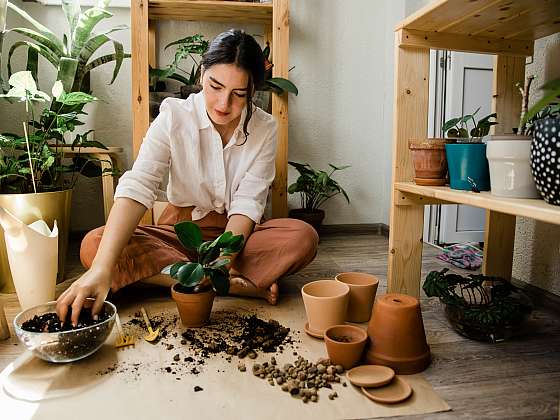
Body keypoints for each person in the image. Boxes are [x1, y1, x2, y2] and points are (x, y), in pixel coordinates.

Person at [56, 29, 319, 326]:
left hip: (238, 237)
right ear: (202, 74)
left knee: (302, 237)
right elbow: (139, 184)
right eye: (215, 86)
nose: (223, 104)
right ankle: (230, 284)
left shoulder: (264, 128)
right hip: (179, 236)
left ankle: (180, 278)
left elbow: (248, 204)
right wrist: (102, 269)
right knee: (95, 245)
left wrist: (223, 259)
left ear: (253, 90)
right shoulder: (173, 116)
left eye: (239, 95)